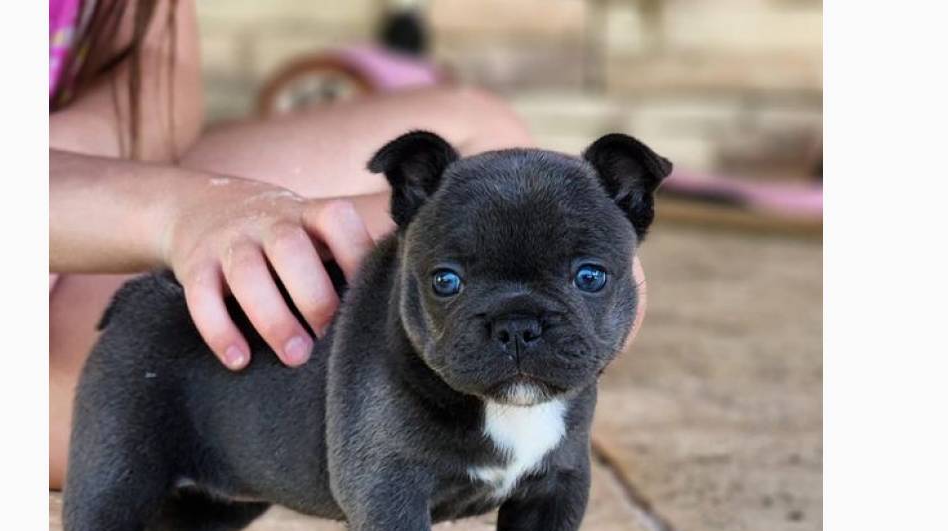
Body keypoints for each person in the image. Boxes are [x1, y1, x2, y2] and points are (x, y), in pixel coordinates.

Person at [49, 0, 646, 489]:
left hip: (78, 171)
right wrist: (178, 209)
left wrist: (87, 156)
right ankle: (366, 431)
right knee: (143, 409)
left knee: (480, 133)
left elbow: (150, 64)